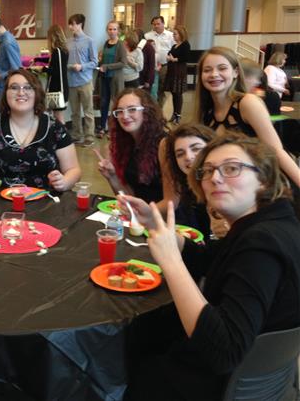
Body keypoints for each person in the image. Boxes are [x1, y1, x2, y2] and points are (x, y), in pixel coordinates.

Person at [124, 132, 300, 401]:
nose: (215, 178)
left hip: (214, 385)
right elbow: (210, 258)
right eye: (207, 171)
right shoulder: (273, 223)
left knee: (136, 342)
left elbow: (223, 351)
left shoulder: (260, 243)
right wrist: (154, 225)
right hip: (267, 380)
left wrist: (171, 262)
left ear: (264, 180)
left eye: (232, 168)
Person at [195, 46, 300, 187]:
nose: (214, 74)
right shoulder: (206, 112)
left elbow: (276, 151)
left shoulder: (247, 103)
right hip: (232, 187)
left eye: (222, 68)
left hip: (263, 186)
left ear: (235, 72)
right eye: (207, 70)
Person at [0, 69, 81, 191]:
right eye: (14, 88)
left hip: (46, 199)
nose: (21, 92)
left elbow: (73, 169)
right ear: (5, 94)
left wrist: (64, 182)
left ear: (37, 93)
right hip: (0, 200)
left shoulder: (54, 128)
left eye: (28, 87)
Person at [119, 123, 222, 240]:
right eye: (180, 154)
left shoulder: (222, 186)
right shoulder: (186, 186)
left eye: (196, 149)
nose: (188, 157)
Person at [97, 88, 167, 203]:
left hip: (166, 213)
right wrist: (112, 176)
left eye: (132, 109)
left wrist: (146, 212)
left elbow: (172, 202)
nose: (125, 116)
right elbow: (131, 197)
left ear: (146, 111)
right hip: (139, 212)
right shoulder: (125, 145)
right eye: (120, 111)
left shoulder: (164, 144)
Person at [66, 13, 98, 147]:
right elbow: (65, 62)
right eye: (70, 24)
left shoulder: (90, 41)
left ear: (80, 24)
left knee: (88, 111)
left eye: (73, 24)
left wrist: (82, 66)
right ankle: (76, 135)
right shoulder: (67, 42)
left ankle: (89, 137)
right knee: (75, 112)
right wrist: (70, 66)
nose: (70, 27)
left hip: (85, 81)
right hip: (71, 82)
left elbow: (94, 62)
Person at [96, 21, 127, 138]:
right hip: (104, 78)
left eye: (114, 29)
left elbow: (123, 63)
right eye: (110, 29)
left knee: (115, 104)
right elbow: (104, 60)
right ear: (107, 31)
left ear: (118, 31)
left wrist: (107, 66)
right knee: (104, 103)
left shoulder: (121, 45)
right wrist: (100, 61)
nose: (112, 31)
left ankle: (113, 129)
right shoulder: (106, 43)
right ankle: (102, 127)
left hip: (115, 79)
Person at [42, 24, 69, 124]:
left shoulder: (57, 51)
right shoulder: (64, 50)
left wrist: (44, 69)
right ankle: (60, 132)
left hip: (57, 89)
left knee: (58, 116)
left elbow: (56, 72)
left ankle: (62, 133)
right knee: (58, 115)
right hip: (62, 88)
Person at [145, 16, 175, 107]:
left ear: (163, 23)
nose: (156, 26)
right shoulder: (147, 35)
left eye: (158, 24)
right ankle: (152, 107)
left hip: (165, 65)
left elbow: (174, 49)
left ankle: (160, 108)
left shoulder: (170, 35)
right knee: (153, 88)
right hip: (152, 67)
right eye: (154, 24)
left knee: (162, 87)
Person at [164, 25, 191, 124]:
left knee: (178, 93)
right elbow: (169, 53)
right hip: (172, 71)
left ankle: (178, 115)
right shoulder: (174, 45)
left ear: (181, 34)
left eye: (175, 34)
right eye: (173, 34)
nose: (173, 36)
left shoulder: (185, 44)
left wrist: (174, 59)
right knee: (173, 93)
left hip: (179, 71)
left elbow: (186, 58)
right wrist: (168, 57)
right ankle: (174, 113)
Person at [134, 29, 156, 95]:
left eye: (135, 36)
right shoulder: (135, 45)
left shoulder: (148, 47)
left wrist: (148, 81)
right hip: (137, 77)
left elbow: (151, 65)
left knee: (145, 98)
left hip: (146, 78)